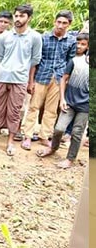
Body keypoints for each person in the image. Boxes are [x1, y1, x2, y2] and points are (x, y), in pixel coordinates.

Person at [0, 4, 42, 156]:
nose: (18, 19)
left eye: (22, 16)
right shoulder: (5, 36)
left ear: (29, 18)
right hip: (3, 77)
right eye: (16, 16)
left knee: (14, 111)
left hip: (20, 80)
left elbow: (35, 60)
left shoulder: (35, 37)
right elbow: (1, 56)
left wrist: (30, 81)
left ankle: (10, 141)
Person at [21, 10, 77, 150]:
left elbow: (70, 61)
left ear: (69, 24)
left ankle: (44, 136)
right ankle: (27, 136)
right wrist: (31, 80)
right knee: (34, 106)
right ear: (54, 22)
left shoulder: (71, 41)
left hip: (59, 79)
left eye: (64, 23)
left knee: (51, 110)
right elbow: (36, 60)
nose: (60, 25)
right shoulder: (44, 37)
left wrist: (67, 80)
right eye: (58, 22)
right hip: (42, 75)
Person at [36, 33, 89, 168]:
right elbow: (63, 78)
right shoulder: (76, 61)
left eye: (83, 44)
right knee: (59, 129)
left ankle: (70, 159)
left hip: (85, 107)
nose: (79, 46)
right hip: (69, 102)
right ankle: (53, 148)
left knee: (77, 133)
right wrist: (62, 99)